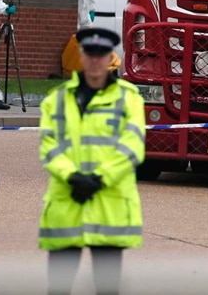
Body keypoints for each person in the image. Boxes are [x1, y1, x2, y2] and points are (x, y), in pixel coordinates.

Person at [39, 27, 145, 295]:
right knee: (58, 288)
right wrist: (72, 176)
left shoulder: (129, 98)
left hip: (108, 203)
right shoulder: (57, 99)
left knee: (107, 289)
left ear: (111, 57)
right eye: (90, 53)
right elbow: (49, 146)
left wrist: (100, 178)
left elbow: (132, 146)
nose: (96, 59)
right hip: (67, 202)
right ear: (82, 57)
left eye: (102, 54)